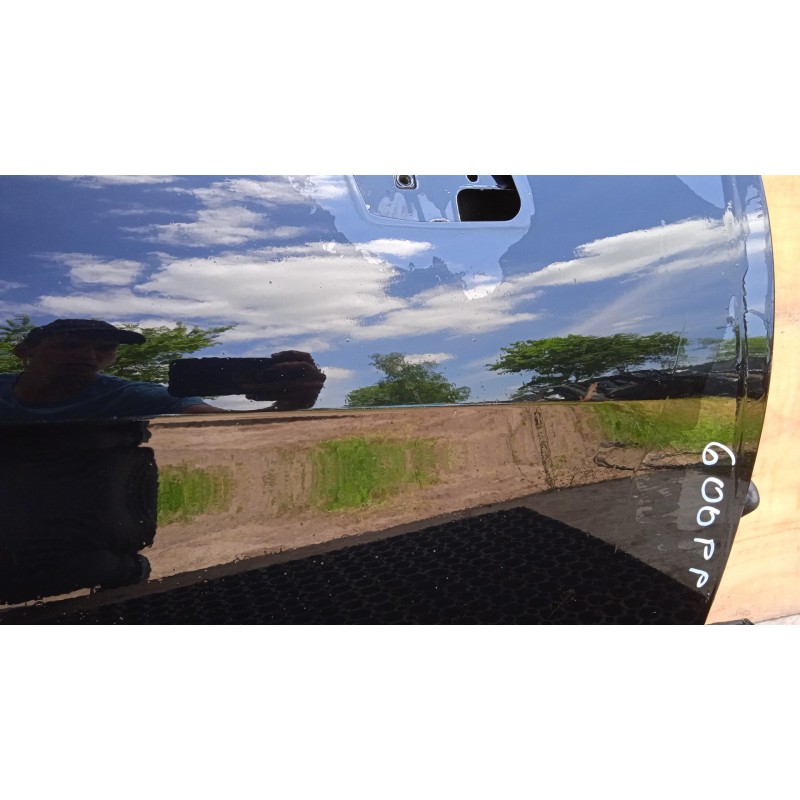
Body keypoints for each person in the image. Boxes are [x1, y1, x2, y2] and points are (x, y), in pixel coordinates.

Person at [0, 318, 326, 422]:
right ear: (24, 352)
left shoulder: (129, 395)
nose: (88, 355)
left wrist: (290, 404)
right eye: (69, 345)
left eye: (104, 348)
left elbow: (220, 422)